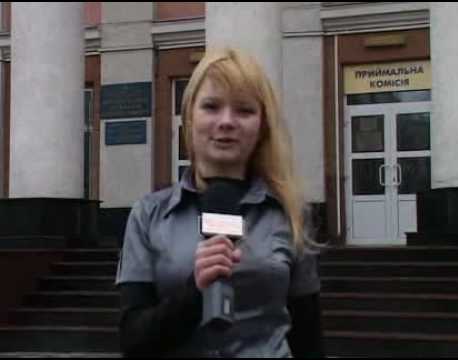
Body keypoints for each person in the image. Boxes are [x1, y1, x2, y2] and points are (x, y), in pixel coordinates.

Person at [115, 47, 324, 358]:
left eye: (244, 110)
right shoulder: (149, 215)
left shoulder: (290, 213)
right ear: (189, 117)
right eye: (211, 107)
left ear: (262, 125)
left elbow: (308, 336)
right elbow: (133, 342)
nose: (227, 122)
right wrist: (195, 291)